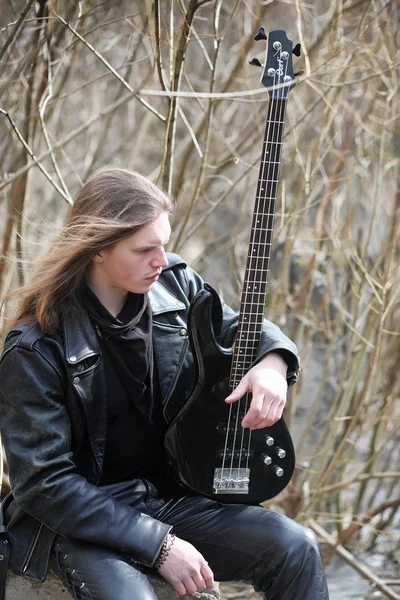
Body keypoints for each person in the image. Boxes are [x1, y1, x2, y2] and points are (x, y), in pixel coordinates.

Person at [0, 168, 329, 600]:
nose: (161, 259)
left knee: (295, 547)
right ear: (98, 250)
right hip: (80, 523)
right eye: (144, 249)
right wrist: (160, 546)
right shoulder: (35, 348)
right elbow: (45, 485)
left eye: (164, 243)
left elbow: (237, 328)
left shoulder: (175, 286)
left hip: (169, 496)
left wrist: (272, 361)